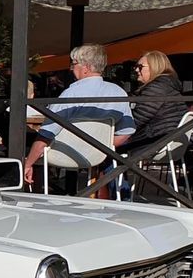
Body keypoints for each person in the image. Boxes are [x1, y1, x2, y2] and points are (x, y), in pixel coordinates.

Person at [22, 44, 135, 194]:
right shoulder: (118, 92)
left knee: (30, 146)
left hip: (63, 155)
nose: (71, 68)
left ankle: (35, 197)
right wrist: (101, 144)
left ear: (86, 68)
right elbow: (127, 131)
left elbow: (46, 134)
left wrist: (28, 163)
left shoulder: (71, 93)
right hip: (98, 156)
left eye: (74, 64)